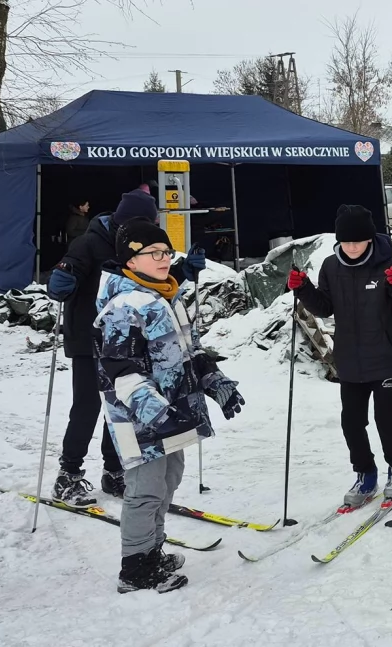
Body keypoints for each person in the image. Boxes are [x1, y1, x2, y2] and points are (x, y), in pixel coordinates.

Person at [95, 219, 244, 593]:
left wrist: (215, 381)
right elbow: (120, 370)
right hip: (141, 419)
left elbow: (186, 353)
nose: (164, 259)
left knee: (169, 479)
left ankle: (153, 550)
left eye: (166, 252)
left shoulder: (165, 295)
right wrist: (157, 414)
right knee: (145, 489)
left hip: (173, 413)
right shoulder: (124, 305)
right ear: (130, 261)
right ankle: (135, 568)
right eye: (154, 253)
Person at [45, 189, 208, 508]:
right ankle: (68, 475)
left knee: (120, 406)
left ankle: (114, 469)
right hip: (87, 339)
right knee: (87, 406)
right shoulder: (89, 243)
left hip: (125, 341)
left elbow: (150, 284)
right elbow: (64, 275)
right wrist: (61, 280)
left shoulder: (136, 247)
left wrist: (183, 272)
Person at [288, 205, 392, 506]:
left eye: (357, 242)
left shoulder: (389, 264)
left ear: (369, 240)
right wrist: (304, 289)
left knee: (387, 420)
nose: (350, 247)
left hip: (385, 357)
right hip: (349, 359)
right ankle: (366, 474)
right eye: (345, 242)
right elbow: (325, 307)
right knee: (351, 422)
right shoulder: (331, 267)